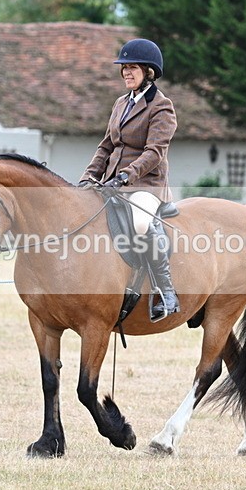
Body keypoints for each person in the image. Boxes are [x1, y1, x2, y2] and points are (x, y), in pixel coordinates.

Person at [78, 38, 180, 319]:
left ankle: (165, 291)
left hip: (145, 184)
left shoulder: (162, 107)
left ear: (149, 71)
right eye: (123, 68)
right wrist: (89, 177)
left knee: (141, 221)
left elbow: (154, 152)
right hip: (112, 182)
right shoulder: (121, 103)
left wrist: (126, 175)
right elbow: (106, 146)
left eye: (132, 67)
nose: (126, 73)